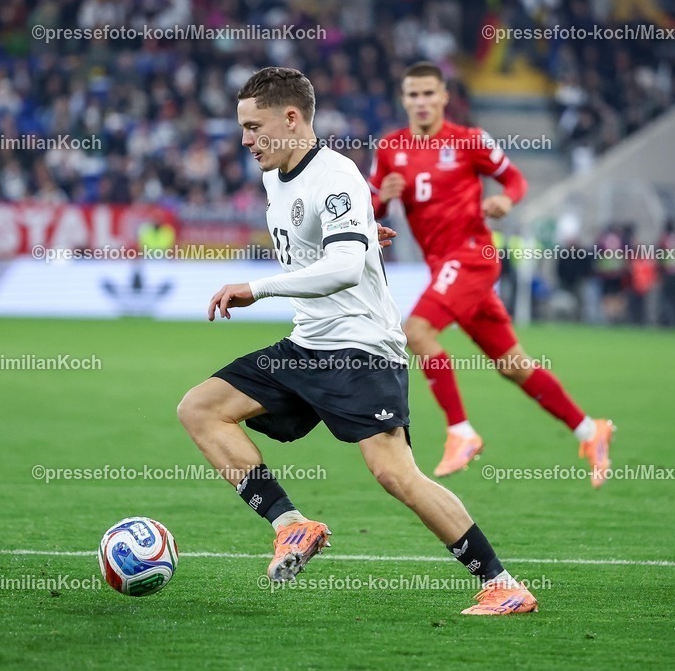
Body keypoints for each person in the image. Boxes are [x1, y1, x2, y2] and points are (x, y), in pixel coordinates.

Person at [178, 67, 538, 615]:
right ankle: (292, 526)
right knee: (200, 409)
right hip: (308, 344)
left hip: (359, 350)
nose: (245, 141)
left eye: (254, 127)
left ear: (292, 118)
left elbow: (344, 269)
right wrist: (362, 237)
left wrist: (258, 288)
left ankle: (502, 583)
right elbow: (336, 243)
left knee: (395, 474)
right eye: (243, 128)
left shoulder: (336, 174)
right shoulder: (276, 176)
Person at [369, 61, 614, 487]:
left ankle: (461, 431)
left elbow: (515, 179)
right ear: (404, 99)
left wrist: (506, 200)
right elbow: (373, 211)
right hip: (446, 267)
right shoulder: (391, 148)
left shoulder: (469, 141)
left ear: (445, 96)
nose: (422, 102)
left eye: (430, 93)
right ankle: (590, 431)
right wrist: (381, 201)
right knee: (513, 365)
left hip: (472, 257)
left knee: (416, 331)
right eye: (414, 94)